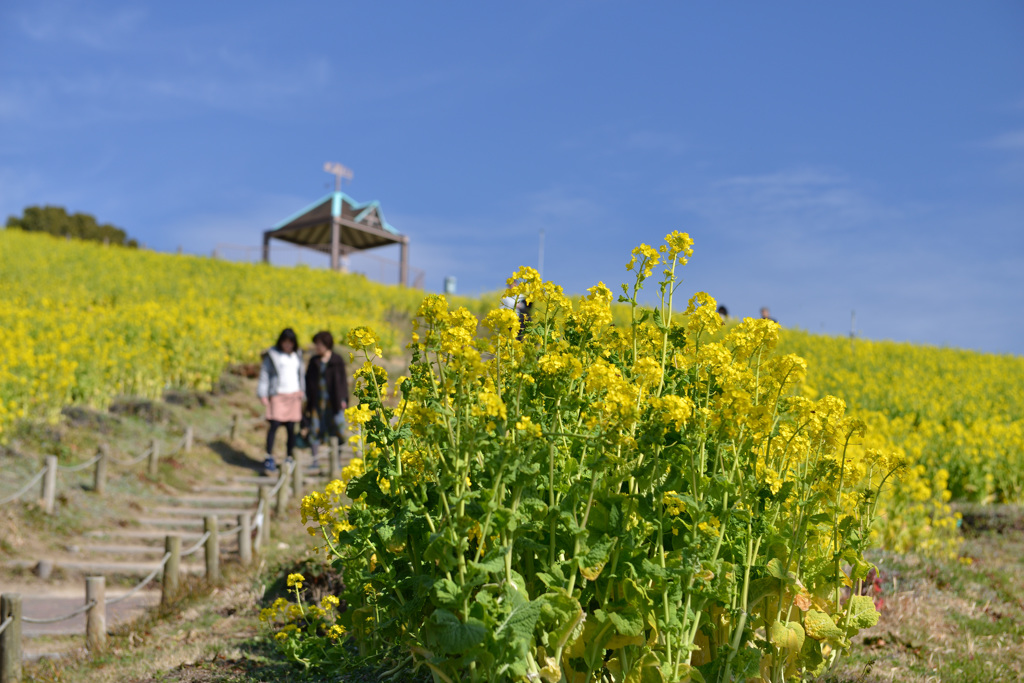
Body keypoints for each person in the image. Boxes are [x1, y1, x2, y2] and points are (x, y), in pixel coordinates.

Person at [257, 328, 305, 475]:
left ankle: (289, 457)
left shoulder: (298, 355)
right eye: (285, 342)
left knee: (291, 428)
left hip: (293, 395)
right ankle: (269, 457)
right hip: (277, 394)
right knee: (274, 426)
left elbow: (300, 375)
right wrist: (263, 394)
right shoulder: (272, 355)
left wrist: (303, 392)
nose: (288, 345)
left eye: (291, 342)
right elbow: (264, 375)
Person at [305, 330, 349, 470]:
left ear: (326, 344)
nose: (317, 347)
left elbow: (342, 382)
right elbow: (308, 382)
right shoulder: (314, 361)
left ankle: (337, 461)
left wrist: (344, 399)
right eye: (316, 344)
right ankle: (315, 462)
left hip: (334, 402)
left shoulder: (337, 360)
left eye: (319, 344)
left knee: (339, 429)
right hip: (317, 402)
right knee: (315, 430)